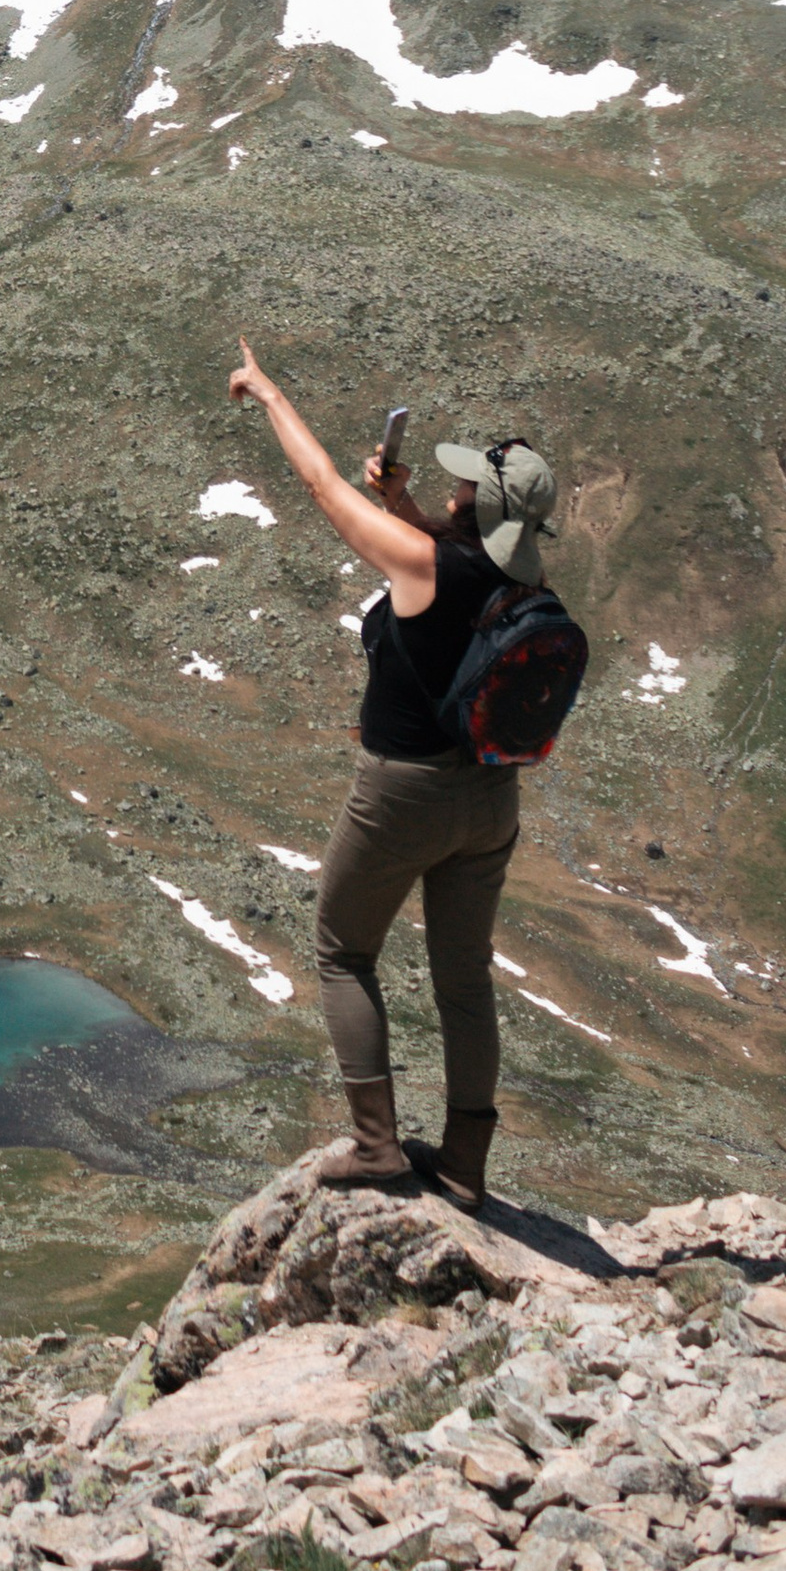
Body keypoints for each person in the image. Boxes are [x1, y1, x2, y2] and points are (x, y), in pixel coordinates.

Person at [227, 339, 560, 1215]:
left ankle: (377, 1147)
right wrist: (405, 502)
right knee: (464, 977)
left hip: (403, 793)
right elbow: (456, 558)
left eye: (460, 489)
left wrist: (269, 395)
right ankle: (462, 1167)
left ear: (478, 507)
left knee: (343, 952)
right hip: (491, 798)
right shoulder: (519, 581)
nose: (448, 493)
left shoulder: (423, 566)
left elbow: (319, 487)